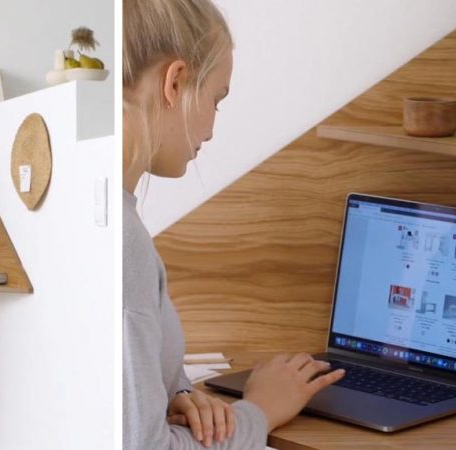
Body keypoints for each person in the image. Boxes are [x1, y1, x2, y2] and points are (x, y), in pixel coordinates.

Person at [123, 0, 346, 448]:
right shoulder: (121, 243)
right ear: (175, 82)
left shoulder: (105, 215)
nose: (211, 128)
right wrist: (260, 409)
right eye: (216, 100)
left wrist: (177, 392)